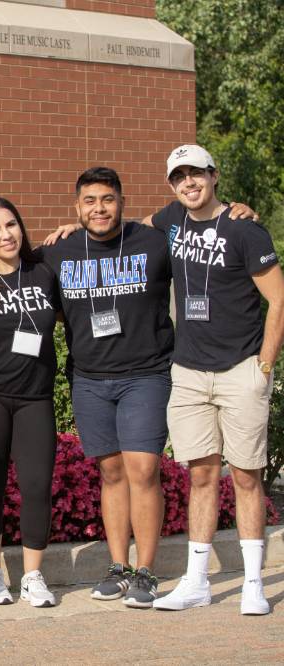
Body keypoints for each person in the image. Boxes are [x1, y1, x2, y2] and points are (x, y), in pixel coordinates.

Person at [145, 145, 283, 615]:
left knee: (246, 476)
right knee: (201, 476)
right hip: (189, 373)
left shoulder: (245, 229)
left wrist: (264, 367)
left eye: (197, 173)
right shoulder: (171, 220)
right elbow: (129, 228)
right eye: (179, 176)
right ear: (172, 185)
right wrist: (71, 229)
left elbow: (279, 299)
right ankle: (197, 582)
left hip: (240, 370)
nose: (188, 182)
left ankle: (252, 585)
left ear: (214, 175)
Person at [38, 167, 174, 608]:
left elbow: (199, 231)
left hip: (145, 374)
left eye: (108, 199)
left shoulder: (153, 242)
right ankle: (119, 567)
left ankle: (146, 572)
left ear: (122, 202)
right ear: (77, 207)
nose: (100, 208)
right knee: (111, 473)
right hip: (90, 379)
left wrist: (236, 212)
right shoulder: (58, 251)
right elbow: (3, 271)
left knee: (144, 470)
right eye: (90, 201)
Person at [0, 198, 61, 608]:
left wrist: (72, 227)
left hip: (34, 398)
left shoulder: (44, 270)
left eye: (11, 225)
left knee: (36, 486)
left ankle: (33, 576)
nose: (6, 235)